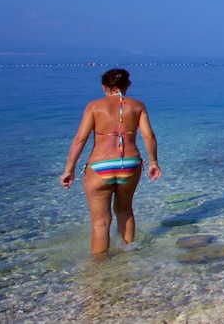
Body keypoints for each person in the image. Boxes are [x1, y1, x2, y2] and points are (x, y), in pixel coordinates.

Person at [61, 68, 161, 255]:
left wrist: (69, 169)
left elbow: (80, 140)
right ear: (128, 85)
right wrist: (154, 162)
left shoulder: (94, 106)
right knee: (125, 211)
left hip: (100, 166)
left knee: (100, 222)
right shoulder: (138, 106)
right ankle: (129, 256)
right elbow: (149, 137)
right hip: (129, 165)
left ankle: (100, 268)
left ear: (104, 87)